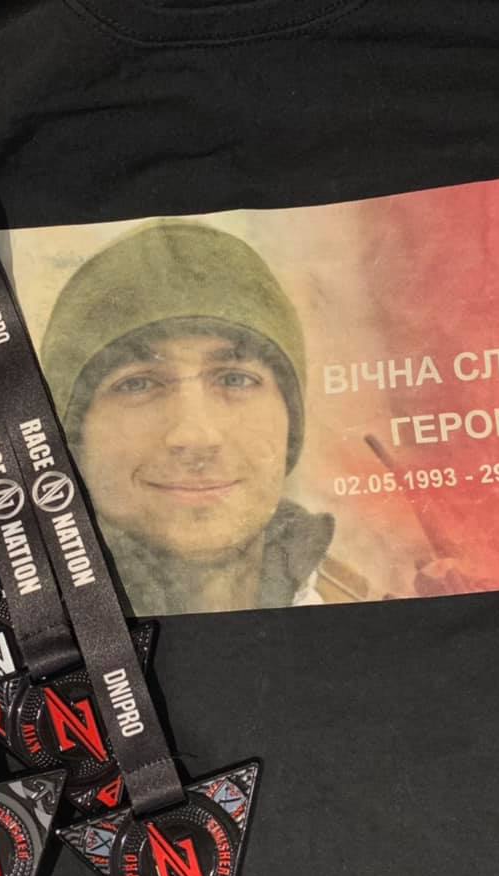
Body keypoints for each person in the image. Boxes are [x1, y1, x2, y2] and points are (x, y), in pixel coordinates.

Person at [40, 218, 371, 615]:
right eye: (137, 384)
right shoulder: (8, 625)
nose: (195, 436)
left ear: (290, 421)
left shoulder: (377, 615)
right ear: (73, 433)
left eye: (235, 379)